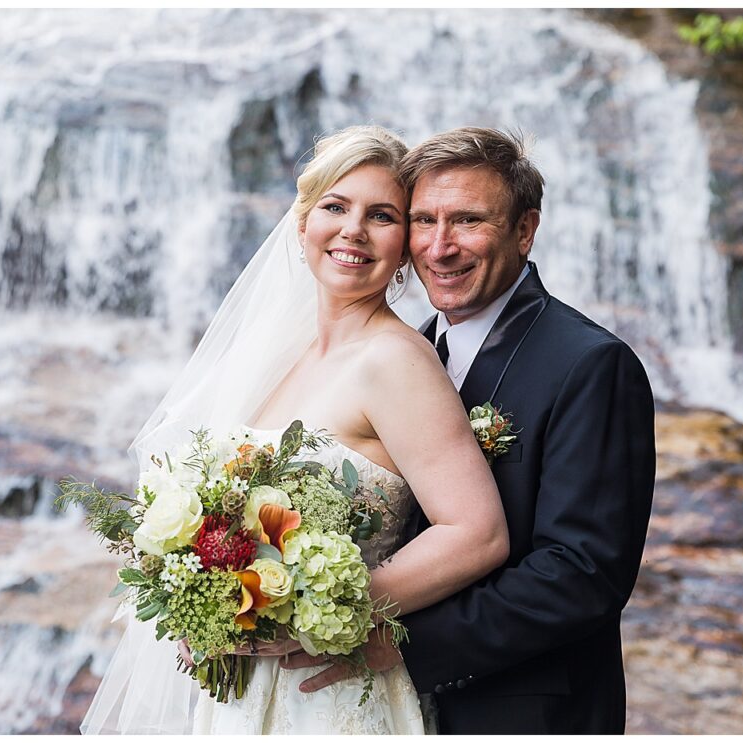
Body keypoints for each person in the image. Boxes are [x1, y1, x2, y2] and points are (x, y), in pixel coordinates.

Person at [81, 125, 509, 734]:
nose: (353, 231)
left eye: (382, 215)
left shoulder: (395, 360)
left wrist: (319, 613)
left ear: (406, 243)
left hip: (323, 693)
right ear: (302, 222)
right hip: (238, 692)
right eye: (335, 207)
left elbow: (477, 532)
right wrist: (200, 607)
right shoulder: (281, 354)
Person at [287, 127, 657, 734]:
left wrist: (402, 646)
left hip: (519, 710)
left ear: (524, 230)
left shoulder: (588, 364)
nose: (440, 247)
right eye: (424, 221)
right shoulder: (406, 351)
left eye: (468, 221)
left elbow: (583, 573)